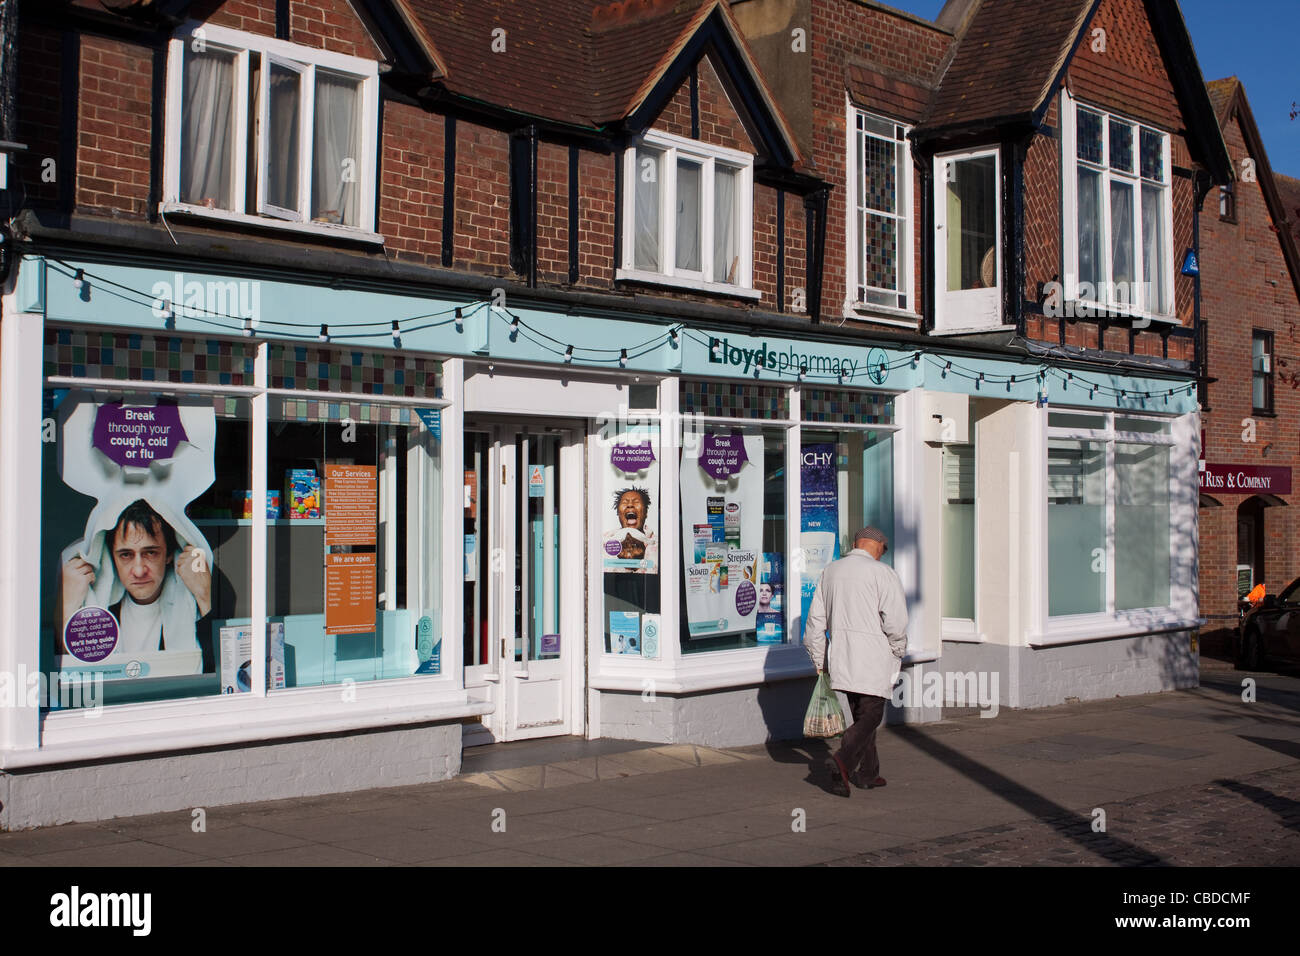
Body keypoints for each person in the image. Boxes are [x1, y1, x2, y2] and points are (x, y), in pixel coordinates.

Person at [803, 526, 908, 797]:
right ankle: (843, 760)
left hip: (842, 658)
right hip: (873, 658)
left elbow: (816, 620)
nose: (883, 555)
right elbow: (895, 620)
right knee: (871, 715)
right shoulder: (882, 573)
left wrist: (818, 658)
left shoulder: (831, 571)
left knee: (863, 716)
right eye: (884, 550)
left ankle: (868, 773)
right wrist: (898, 649)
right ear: (876, 545)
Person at [60, 498, 212, 655]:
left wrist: (205, 593)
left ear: (169, 554)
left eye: (151, 553)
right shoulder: (100, 608)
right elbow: (71, 669)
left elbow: (218, 666)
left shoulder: (190, 606)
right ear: (111, 558)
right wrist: (68, 604)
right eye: (125, 555)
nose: (139, 571)